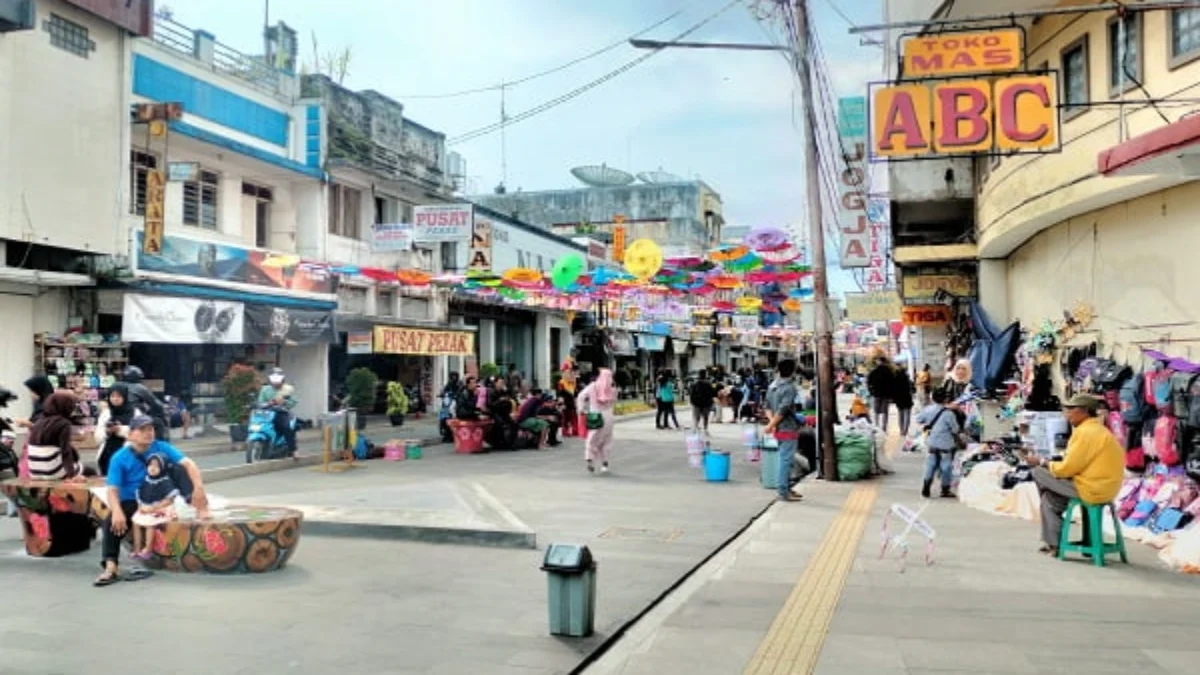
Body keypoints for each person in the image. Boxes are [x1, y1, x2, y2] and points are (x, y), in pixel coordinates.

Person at [96, 412, 209, 587]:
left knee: (179, 468)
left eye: (150, 429)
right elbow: (112, 489)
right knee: (111, 521)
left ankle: (199, 506)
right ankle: (111, 566)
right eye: (142, 430)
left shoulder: (161, 447)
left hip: (162, 494)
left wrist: (199, 488)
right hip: (135, 500)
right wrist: (117, 511)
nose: (148, 433)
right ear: (131, 434)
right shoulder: (120, 458)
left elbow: (189, 464)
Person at [1021, 394, 1124, 557]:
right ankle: (1054, 544)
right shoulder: (1098, 430)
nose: (1066, 414)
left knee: (1038, 472)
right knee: (1049, 500)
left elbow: (1066, 469)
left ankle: (1056, 539)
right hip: (1103, 487)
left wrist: (1043, 462)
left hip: (1092, 488)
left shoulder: (1085, 432)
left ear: (1083, 412)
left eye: (1070, 410)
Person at [763, 359, 803, 502]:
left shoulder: (772, 385)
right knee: (786, 460)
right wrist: (771, 425)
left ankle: (786, 487)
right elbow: (784, 409)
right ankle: (783, 491)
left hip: (778, 428)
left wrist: (771, 423)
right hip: (788, 427)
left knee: (786, 459)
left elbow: (767, 406)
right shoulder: (790, 388)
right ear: (792, 371)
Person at [130, 453, 183, 561]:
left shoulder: (165, 481)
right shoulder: (146, 480)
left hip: (162, 508)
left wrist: (154, 508)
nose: (152, 468)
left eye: (157, 465)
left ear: (163, 468)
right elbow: (140, 494)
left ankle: (148, 549)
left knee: (150, 524)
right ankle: (137, 548)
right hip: (147, 507)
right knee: (135, 522)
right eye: (150, 465)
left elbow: (169, 500)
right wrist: (141, 506)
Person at [915, 388, 962, 498]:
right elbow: (955, 429)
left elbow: (919, 419)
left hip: (931, 443)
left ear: (933, 398)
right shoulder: (949, 414)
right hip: (945, 444)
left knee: (930, 465)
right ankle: (945, 490)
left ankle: (926, 486)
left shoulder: (927, 410)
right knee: (946, 467)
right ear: (945, 399)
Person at [25, 392, 84, 480]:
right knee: (87, 469)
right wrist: (72, 475)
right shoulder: (63, 423)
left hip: (34, 472)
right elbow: (65, 450)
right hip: (52, 471)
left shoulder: (39, 421)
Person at [577, 367, 616, 474]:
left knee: (592, 438)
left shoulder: (592, 386)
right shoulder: (612, 388)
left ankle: (589, 459)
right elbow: (614, 402)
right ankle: (605, 463)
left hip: (595, 415)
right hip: (608, 416)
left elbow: (581, 396)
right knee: (607, 440)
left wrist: (582, 409)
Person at [94, 383, 134, 476]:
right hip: (107, 456)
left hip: (127, 455)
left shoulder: (134, 413)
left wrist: (120, 429)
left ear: (125, 397)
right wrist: (107, 431)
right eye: (112, 396)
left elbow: (139, 433)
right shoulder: (106, 413)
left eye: (119, 396)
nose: (115, 399)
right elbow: (97, 438)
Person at [258, 368, 298, 457]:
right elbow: (260, 401)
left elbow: (293, 401)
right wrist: (267, 404)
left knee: (287, 428)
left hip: (281, 413)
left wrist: (284, 402)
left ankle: (294, 450)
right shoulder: (265, 389)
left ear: (282, 380)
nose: (276, 383)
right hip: (267, 413)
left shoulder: (288, 389)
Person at [121, 366, 169, 441]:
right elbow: (154, 402)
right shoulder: (138, 387)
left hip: (121, 417)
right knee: (158, 423)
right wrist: (163, 406)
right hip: (134, 417)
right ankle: (160, 446)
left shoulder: (119, 386)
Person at [867, 356, 895, 431]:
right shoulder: (889, 371)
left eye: (877, 361)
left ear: (879, 362)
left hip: (876, 394)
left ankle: (876, 425)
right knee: (885, 411)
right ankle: (884, 427)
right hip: (886, 395)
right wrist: (891, 394)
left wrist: (871, 391)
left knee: (876, 411)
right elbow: (892, 383)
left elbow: (869, 382)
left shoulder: (874, 371)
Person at [557, 360, 578, 438]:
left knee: (573, 416)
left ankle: (575, 430)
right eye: (569, 372)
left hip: (572, 400)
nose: (572, 373)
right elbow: (560, 393)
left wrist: (575, 398)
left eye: (572, 372)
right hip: (566, 401)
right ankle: (565, 431)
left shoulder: (573, 381)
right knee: (566, 417)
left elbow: (575, 391)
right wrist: (561, 403)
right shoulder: (561, 382)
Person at [892, 365, 915, 437]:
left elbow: (893, 390)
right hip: (907, 399)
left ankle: (901, 430)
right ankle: (905, 431)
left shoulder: (895, 379)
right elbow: (913, 389)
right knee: (907, 415)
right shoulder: (907, 379)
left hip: (899, 399)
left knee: (900, 415)